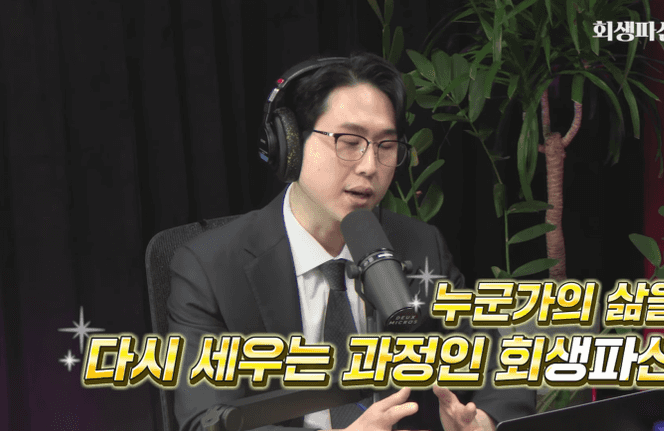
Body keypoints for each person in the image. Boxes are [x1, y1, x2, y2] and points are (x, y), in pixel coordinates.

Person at [167, 52, 535, 431]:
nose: (369, 166)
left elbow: (501, 364)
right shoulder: (212, 267)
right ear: (290, 145)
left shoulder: (419, 245)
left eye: (385, 145)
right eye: (349, 141)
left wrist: (482, 421)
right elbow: (205, 421)